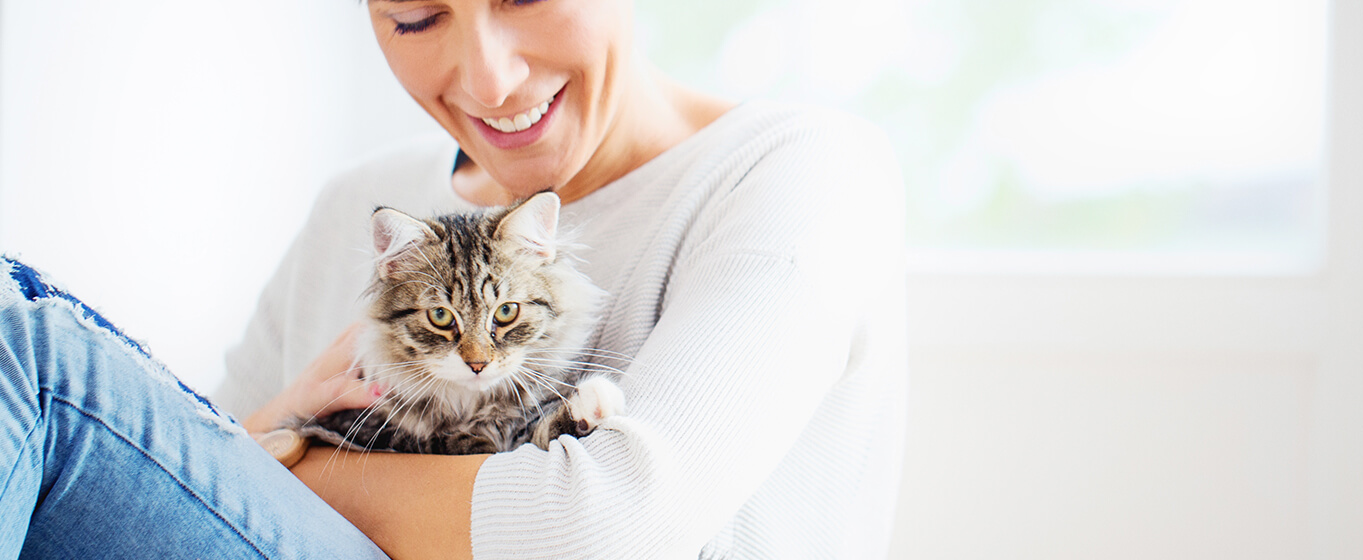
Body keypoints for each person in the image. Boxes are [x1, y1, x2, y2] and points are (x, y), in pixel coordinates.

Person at [1, 0, 906, 557]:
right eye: (417, 18)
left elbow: (600, 529)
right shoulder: (357, 204)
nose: (489, 77)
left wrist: (289, 457)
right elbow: (184, 484)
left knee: (31, 355)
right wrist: (254, 446)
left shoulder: (796, 171)